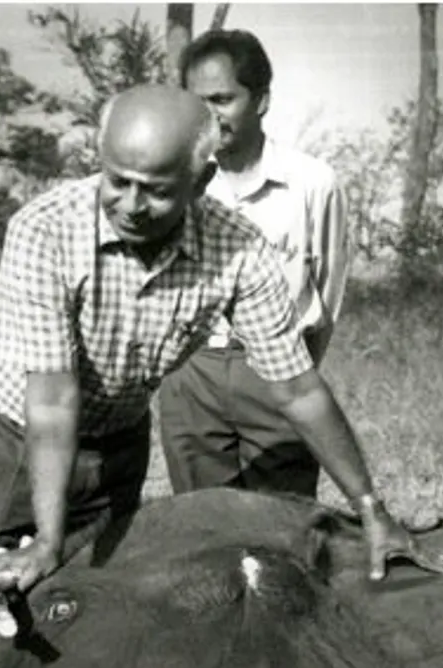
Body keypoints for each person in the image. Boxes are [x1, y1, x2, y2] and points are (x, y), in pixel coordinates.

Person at [0, 84, 443, 668]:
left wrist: (370, 507)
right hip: (6, 427)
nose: (132, 205)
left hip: (116, 432)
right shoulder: (43, 230)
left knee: (77, 602)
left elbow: (297, 388)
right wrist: (44, 538)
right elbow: (50, 401)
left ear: (203, 178)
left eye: (157, 190)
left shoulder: (239, 252)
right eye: (118, 181)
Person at [158, 29, 352, 499]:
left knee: (285, 522)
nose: (209, 114)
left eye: (223, 99)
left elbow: (326, 295)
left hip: (278, 368)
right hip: (192, 372)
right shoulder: (169, 183)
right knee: (205, 526)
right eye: (197, 100)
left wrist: (291, 368)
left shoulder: (313, 184)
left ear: (261, 100)